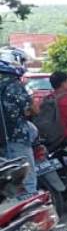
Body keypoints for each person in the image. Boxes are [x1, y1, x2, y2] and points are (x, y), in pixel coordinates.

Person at [0, 51, 37, 194]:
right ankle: (30, 208)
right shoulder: (14, 85)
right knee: (27, 180)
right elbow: (32, 110)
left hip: (4, 139)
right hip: (17, 138)